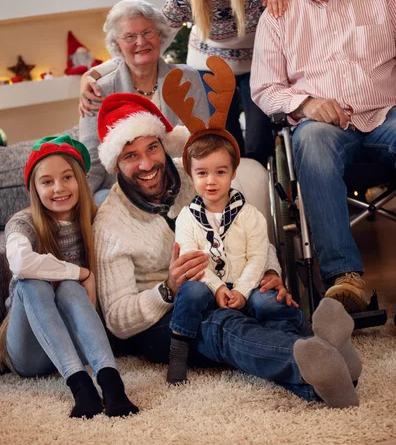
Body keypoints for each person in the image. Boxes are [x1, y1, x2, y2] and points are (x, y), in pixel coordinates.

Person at [92, 75, 362, 408]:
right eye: (130, 156)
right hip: (165, 320)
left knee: (267, 303)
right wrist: (168, 289)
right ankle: (313, 355)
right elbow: (118, 321)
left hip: (229, 284)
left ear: (164, 144)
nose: (147, 164)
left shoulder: (198, 174)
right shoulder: (109, 224)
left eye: (151, 148)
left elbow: (248, 234)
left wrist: (270, 273)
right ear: (115, 164)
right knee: (223, 326)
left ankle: (331, 369)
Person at [250, 0, 396, 314]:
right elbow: (264, 88)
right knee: (308, 138)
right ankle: (345, 277)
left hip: (386, 114)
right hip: (325, 130)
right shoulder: (278, 14)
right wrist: (306, 103)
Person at [79, 0, 300, 167]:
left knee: (259, 142)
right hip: (209, 67)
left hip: (259, 63)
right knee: (224, 140)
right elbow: (146, 39)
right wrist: (94, 73)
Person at [163, 57, 306, 385]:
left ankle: (293, 333)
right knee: (191, 292)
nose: (211, 181)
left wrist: (241, 290)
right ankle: (179, 347)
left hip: (246, 283)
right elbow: (194, 263)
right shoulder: (187, 217)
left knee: (266, 299)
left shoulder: (249, 214)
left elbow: (258, 256)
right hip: (208, 288)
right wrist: (217, 291)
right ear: (191, 174)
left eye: (220, 172)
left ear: (232, 173)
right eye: (202, 173)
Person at [0, 135, 138, 419]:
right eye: (47, 181)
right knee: (32, 281)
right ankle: (81, 388)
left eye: (67, 177)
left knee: (70, 290)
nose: (58, 188)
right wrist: (80, 272)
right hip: (29, 352)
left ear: (82, 180)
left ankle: (112, 386)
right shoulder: (23, 223)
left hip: (81, 342)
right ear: (34, 189)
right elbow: (21, 262)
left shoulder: (97, 219)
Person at [78, 0, 209, 203]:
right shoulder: (98, 90)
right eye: (129, 36)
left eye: (148, 32)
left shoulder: (187, 78)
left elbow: (203, 140)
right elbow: (91, 160)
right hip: (123, 190)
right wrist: (79, 202)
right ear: (118, 45)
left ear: (160, 36)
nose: (141, 42)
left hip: (180, 182)